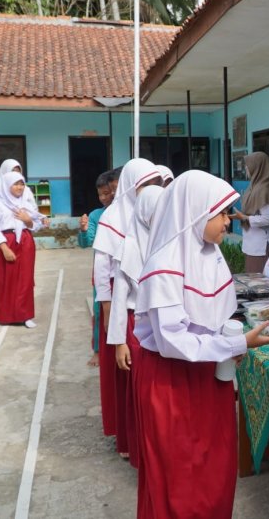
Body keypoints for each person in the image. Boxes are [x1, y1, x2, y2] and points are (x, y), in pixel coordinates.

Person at [133, 170, 269, 519]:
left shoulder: (210, 255)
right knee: (180, 475)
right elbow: (172, 340)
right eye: (221, 213)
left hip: (208, 375)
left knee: (214, 468)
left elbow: (216, 316)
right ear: (194, 212)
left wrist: (231, 343)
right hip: (172, 382)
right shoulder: (164, 266)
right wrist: (234, 346)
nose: (228, 222)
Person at [92, 158, 162, 458]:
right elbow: (102, 270)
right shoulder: (113, 218)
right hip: (124, 309)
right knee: (126, 376)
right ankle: (127, 436)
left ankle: (145, 438)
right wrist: (108, 313)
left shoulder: (156, 213)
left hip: (152, 307)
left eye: (156, 185)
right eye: (145, 185)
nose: (152, 191)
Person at [106, 184, 163, 470]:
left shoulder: (169, 241)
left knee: (158, 396)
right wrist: (119, 342)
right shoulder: (129, 246)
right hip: (135, 326)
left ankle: (158, 451)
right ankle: (139, 450)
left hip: (162, 325)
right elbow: (118, 299)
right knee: (140, 393)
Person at [0, 171, 45, 328]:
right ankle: (5, 315)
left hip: (25, 241)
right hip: (5, 242)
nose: (19, 187)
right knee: (5, 279)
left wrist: (28, 221)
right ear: (6, 185)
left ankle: (25, 315)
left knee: (25, 279)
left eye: (22, 183)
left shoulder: (26, 204)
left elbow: (37, 225)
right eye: (15, 184)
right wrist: (4, 248)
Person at [78, 168, 120, 367]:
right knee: (99, 309)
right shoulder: (96, 215)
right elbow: (88, 242)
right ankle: (98, 349)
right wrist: (85, 230)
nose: (104, 198)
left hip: (123, 269)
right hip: (103, 271)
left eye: (108, 193)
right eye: (100, 194)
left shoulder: (125, 211)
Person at [229, 152, 269, 273]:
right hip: (253, 243)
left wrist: (245, 218)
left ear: (257, 167)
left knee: (260, 282)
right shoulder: (254, 186)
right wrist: (241, 217)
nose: (246, 168)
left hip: (263, 246)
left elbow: (268, 218)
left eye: (249, 165)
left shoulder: (263, 188)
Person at [0, 159, 40, 239]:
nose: (15, 174)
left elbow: (34, 208)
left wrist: (28, 219)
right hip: (2, 232)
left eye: (18, 172)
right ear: (4, 172)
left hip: (23, 230)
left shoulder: (25, 189)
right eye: (12, 171)